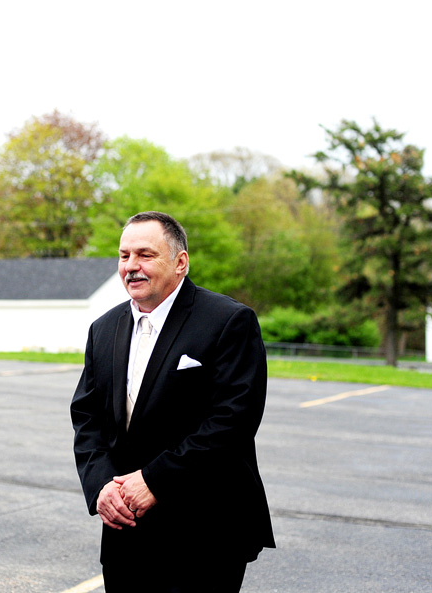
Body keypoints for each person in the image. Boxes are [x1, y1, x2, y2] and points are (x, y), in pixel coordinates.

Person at [71, 211, 275, 592]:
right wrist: (100, 486)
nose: (131, 266)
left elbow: (234, 419)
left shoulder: (229, 321)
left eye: (145, 255)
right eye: (124, 255)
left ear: (180, 262)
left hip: (207, 531)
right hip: (125, 531)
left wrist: (155, 480)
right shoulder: (103, 329)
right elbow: (87, 417)